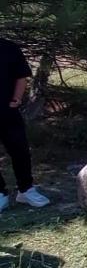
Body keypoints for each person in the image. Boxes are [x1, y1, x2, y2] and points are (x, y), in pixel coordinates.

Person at [0, 38, 51, 213]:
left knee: (20, 150)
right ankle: (0, 194)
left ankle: (26, 190)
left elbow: (21, 77)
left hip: (8, 111)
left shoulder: (9, 48)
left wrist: (17, 99)